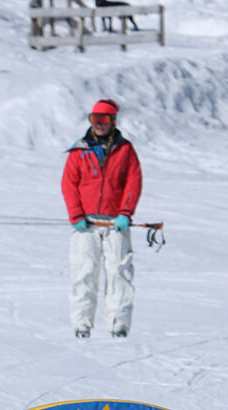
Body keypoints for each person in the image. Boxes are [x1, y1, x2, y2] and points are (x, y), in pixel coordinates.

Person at [61, 98, 142, 338]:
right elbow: (69, 184)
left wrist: (125, 212)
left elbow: (133, 183)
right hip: (85, 224)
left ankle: (119, 324)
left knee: (119, 272)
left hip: (115, 223)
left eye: (103, 119)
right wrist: (76, 214)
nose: (98, 124)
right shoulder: (79, 150)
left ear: (113, 121)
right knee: (84, 271)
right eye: (94, 119)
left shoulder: (125, 150)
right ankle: (82, 324)